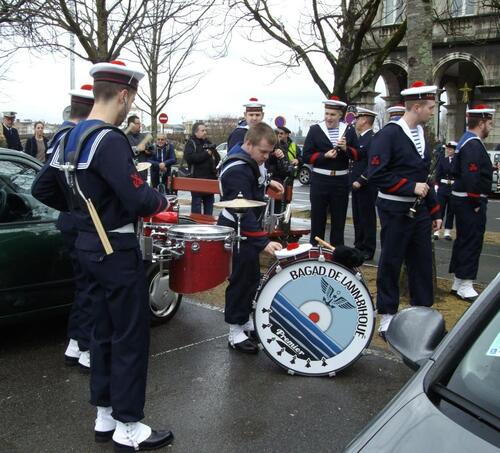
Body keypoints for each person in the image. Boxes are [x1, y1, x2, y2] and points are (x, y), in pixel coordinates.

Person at [32, 60, 174, 451]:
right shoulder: (110, 139)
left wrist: (82, 209)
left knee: (101, 333)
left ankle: (105, 415)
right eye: (133, 99)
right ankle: (129, 426)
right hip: (116, 250)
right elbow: (136, 196)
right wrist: (160, 199)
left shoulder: (68, 137)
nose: (131, 106)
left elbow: (42, 189)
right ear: (125, 95)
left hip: (87, 247)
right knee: (129, 336)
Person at [368, 81, 442, 339]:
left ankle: (422, 312)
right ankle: (387, 316)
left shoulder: (423, 135)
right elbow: (377, 173)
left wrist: (435, 210)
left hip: (419, 212)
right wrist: (410, 187)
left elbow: (425, 177)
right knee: (391, 260)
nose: (433, 111)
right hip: (394, 210)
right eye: (431, 107)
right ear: (417, 106)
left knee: (421, 263)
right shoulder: (388, 134)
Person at [218, 123, 284, 353]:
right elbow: (242, 210)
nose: (266, 157)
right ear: (248, 143)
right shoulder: (237, 168)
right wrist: (263, 242)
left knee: (251, 277)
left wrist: (267, 183)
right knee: (240, 279)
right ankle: (234, 331)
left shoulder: (248, 160)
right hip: (237, 229)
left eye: (268, 152)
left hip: (244, 229)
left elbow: (253, 186)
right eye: (263, 152)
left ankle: (244, 320)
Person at [47, 83, 96, 372]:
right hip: (84, 223)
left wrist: (67, 206)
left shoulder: (60, 137)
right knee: (91, 286)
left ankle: (76, 343)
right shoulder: (79, 139)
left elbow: (43, 186)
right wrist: (77, 208)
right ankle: (87, 347)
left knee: (83, 286)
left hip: (70, 220)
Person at [449, 105, 495, 302]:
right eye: (490, 123)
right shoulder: (473, 144)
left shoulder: (466, 141)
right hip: (470, 200)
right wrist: (475, 199)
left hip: (463, 198)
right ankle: (466, 283)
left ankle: (459, 281)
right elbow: (471, 174)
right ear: (482, 122)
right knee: (472, 240)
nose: (491, 127)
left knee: (464, 240)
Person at [302, 95, 360, 246]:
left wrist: (346, 149)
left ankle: (337, 257)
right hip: (320, 181)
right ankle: (314, 253)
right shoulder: (315, 130)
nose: (328, 117)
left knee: (338, 222)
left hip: (341, 181)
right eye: (326, 113)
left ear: (340, 115)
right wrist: (323, 156)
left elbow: (358, 155)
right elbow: (306, 156)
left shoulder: (348, 130)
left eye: (332, 114)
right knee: (317, 221)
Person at [350, 107, 378, 261]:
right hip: (356, 185)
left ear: (365, 120)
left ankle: (368, 248)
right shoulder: (360, 138)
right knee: (358, 216)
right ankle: (359, 244)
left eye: (358, 118)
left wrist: (361, 180)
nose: (356, 121)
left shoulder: (372, 139)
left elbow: (372, 164)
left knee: (367, 218)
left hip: (366, 186)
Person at [184, 122, 219, 215]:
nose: (205, 132)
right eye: (202, 130)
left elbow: (217, 158)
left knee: (209, 211)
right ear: (196, 132)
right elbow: (190, 158)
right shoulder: (191, 143)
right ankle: (195, 228)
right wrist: (206, 154)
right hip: (197, 181)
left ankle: (208, 228)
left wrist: (213, 152)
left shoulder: (208, 143)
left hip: (209, 180)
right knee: (196, 210)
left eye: (205, 130)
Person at [433, 141, 457, 241]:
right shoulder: (442, 160)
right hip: (443, 187)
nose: (448, 150)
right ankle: (437, 231)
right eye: (447, 149)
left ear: (454, 150)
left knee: (451, 211)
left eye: (450, 149)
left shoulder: (457, 161)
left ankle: (447, 232)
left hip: (453, 187)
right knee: (440, 209)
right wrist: (436, 185)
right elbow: (438, 173)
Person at [125, 114, 152, 179]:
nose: (140, 125)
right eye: (138, 123)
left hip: (142, 174)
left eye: (140, 123)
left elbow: (151, 151)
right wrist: (136, 149)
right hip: (129, 174)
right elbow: (120, 151)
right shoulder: (123, 136)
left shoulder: (143, 136)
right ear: (131, 124)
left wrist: (148, 151)